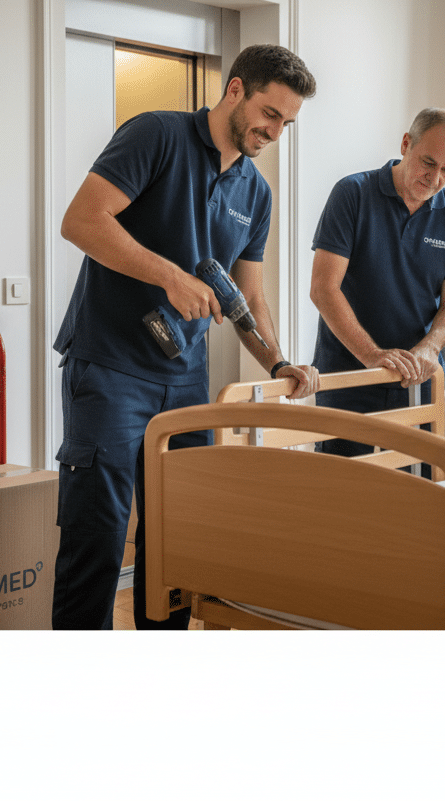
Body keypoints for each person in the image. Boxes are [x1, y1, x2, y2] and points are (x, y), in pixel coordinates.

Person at [51, 44, 320, 630]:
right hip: (111, 368)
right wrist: (170, 276)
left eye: (286, 123)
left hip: (186, 381)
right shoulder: (156, 136)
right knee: (96, 536)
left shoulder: (256, 193)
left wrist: (277, 364)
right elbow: (81, 220)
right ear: (235, 90)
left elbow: (248, 296)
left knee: (180, 543)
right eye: (269, 114)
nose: (274, 131)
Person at [309, 108, 445, 461]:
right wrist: (372, 355)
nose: (435, 178)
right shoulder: (352, 194)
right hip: (349, 379)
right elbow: (323, 289)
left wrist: (430, 348)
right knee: (346, 497)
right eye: (428, 163)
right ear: (406, 144)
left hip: (417, 382)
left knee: (423, 500)